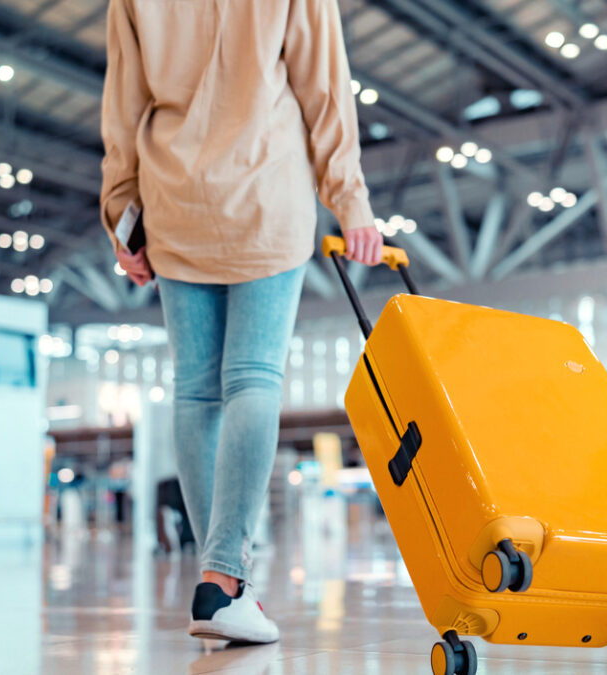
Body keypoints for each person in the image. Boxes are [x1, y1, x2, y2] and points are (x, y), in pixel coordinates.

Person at [100, 0, 382, 644]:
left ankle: (217, 586)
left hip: (176, 201)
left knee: (197, 391)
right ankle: (224, 580)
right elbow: (324, 88)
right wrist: (351, 200)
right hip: (266, 194)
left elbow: (122, 102)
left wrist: (120, 210)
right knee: (253, 377)